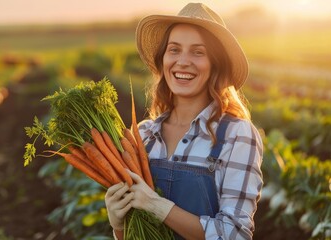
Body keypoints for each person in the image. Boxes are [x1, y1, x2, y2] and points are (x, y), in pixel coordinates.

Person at [105, 2, 263, 240]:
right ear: (163, 59)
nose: (183, 61)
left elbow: (234, 234)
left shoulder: (236, 135)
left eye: (198, 52)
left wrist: (159, 207)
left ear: (215, 64)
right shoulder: (143, 135)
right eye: (174, 49)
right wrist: (119, 226)